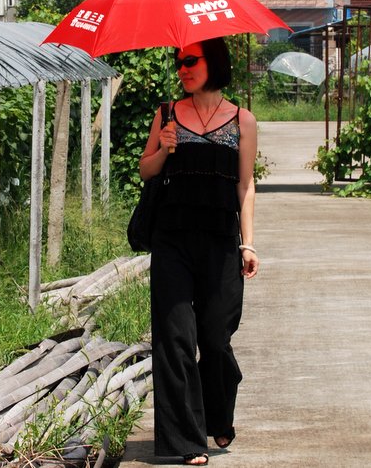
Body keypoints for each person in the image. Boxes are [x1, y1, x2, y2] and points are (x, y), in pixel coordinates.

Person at [139, 37, 259, 465]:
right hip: (172, 241)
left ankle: (218, 415)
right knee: (175, 338)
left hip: (220, 245)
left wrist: (248, 242)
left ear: (215, 63)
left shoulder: (242, 120)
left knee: (215, 338)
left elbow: (245, 186)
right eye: (179, 62)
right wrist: (166, 149)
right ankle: (184, 441)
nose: (182, 69)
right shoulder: (167, 114)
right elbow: (145, 169)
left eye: (190, 61)